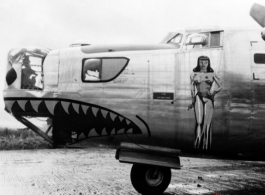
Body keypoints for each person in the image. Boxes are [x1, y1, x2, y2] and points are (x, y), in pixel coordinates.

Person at [188, 56, 222, 150]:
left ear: (208, 63)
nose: (203, 64)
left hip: (208, 98)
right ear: (198, 63)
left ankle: (205, 145)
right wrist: (192, 101)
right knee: (199, 122)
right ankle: (197, 143)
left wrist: (213, 92)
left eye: (205, 62)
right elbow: (192, 89)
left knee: (207, 123)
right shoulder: (194, 74)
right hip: (198, 97)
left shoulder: (212, 74)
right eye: (201, 62)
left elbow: (220, 86)